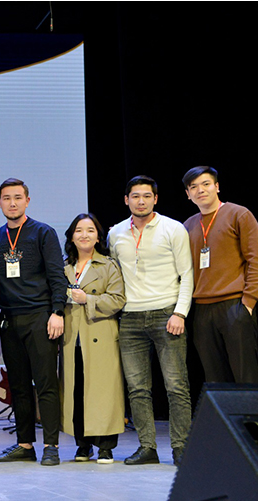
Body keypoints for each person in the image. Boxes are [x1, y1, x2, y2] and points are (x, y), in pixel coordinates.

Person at [108, 175, 193, 467]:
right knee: (137, 388)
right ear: (126, 200)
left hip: (166, 314)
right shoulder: (116, 233)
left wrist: (180, 312)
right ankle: (147, 447)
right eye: (135, 196)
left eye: (147, 196)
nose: (141, 201)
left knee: (176, 386)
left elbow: (187, 274)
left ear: (155, 199)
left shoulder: (173, 228)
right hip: (130, 318)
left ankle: (181, 447)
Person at [0, 178, 67, 466]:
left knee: (45, 384)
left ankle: (51, 445)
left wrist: (57, 311)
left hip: (40, 318)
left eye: (18, 197)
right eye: (7, 198)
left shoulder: (43, 232)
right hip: (9, 319)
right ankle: (25, 444)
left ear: (27, 201)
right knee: (18, 386)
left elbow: (57, 274)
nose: (12, 203)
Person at [181, 166, 258, 383]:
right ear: (188, 194)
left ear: (217, 187)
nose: (200, 190)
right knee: (215, 379)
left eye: (206, 184)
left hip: (234, 305)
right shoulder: (187, 225)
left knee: (245, 375)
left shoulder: (238, 214)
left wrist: (248, 302)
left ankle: (252, 410)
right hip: (202, 310)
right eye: (194, 187)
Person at [60, 213, 126, 464]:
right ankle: (83, 444)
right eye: (79, 230)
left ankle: (106, 446)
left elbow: (118, 299)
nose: (84, 235)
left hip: (100, 334)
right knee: (76, 390)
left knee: (104, 391)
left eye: (90, 230)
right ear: (71, 236)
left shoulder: (108, 265)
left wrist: (88, 299)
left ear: (98, 237)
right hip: (72, 337)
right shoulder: (64, 267)